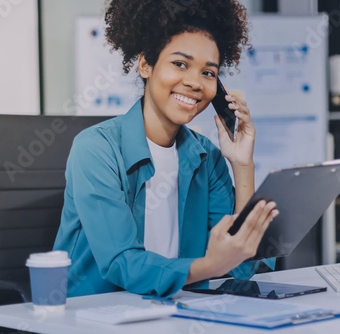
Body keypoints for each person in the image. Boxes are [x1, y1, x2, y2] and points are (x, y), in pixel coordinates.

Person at [53, 0, 279, 298]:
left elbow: (242, 268)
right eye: (180, 64)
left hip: (174, 312)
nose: (195, 83)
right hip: (93, 315)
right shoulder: (96, 149)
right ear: (146, 64)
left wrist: (242, 165)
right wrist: (209, 266)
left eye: (208, 73)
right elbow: (122, 264)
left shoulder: (206, 157)